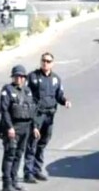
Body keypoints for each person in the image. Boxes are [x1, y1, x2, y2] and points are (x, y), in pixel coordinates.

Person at [24, 52, 71, 183]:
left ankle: (37, 170)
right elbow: (26, 95)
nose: (45, 63)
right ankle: (28, 172)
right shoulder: (33, 77)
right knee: (32, 142)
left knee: (43, 142)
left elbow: (59, 95)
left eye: (48, 61)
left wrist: (65, 101)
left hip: (49, 115)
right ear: (40, 62)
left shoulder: (56, 79)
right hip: (37, 115)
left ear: (52, 64)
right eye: (43, 60)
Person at [0, 65, 40, 191]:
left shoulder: (27, 91)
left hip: (25, 127)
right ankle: (7, 184)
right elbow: (4, 111)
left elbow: (32, 110)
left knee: (18, 154)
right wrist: (9, 127)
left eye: (22, 77)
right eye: (17, 76)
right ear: (13, 77)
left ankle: (14, 181)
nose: (19, 79)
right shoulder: (7, 90)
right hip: (13, 127)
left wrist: (35, 127)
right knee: (10, 155)